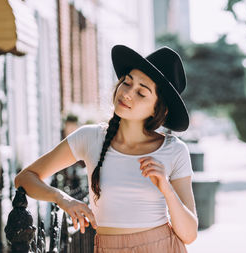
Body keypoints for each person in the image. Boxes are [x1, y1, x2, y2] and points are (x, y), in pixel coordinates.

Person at [14, 45, 198, 252]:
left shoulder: (174, 150)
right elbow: (24, 178)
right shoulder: (89, 137)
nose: (127, 93)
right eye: (127, 82)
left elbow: (189, 235)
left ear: (157, 109)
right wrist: (62, 199)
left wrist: (166, 188)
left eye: (141, 93)